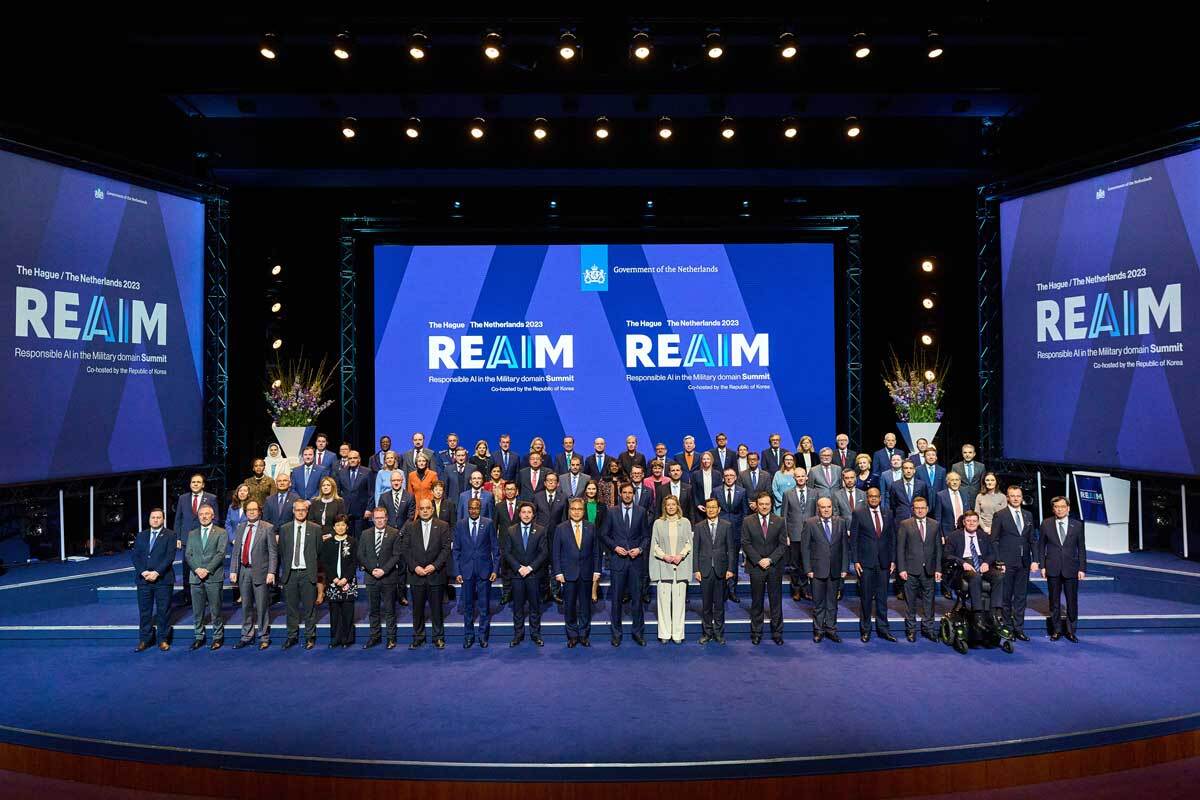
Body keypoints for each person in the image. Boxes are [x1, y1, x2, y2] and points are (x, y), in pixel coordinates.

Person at [602, 482, 649, 646]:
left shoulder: (641, 511)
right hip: (618, 562)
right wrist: (615, 547)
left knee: (637, 599)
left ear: (634, 495)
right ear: (620, 494)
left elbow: (646, 536)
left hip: (636, 562)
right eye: (625, 492)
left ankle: (638, 633)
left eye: (630, 492)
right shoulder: (611, 512)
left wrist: (640, 549)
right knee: (616, 600)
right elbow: (604, 535)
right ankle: (616, 634)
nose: (628, 495)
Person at [401, 498, 452, 649]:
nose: (424, 511)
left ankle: (438, 637)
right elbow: (405, 549)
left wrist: (434, 566)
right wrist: (415, 566)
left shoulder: (443, 526)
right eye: (422, 508)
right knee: (417, 609)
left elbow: (446, 549)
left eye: (427, 508)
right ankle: (418, 637)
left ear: (432, 509)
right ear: (418, 510)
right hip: (416, 575)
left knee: (437, 609)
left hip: (435, 575)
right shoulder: (410, 527)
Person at [849, 488, 897, 642]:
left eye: (876, 496)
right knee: (866, 597)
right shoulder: (859, 513)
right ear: (867, 498)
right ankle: (866, 629)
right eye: (871, 496)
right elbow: (854, 539)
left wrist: (893, 560)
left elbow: (892, 538)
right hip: (866, 563)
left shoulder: (888, 513)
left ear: (880, 498)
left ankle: (883, 629)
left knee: (882, 598)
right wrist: (856, 560)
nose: (874, 499)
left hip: (884, 562)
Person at [992, 485, 1038, 641]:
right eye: (1013, 496)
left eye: (1018, 496)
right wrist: (999, 561)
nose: (1016, 498)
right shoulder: (1000, 515)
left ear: (1022, 497)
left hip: (1024, 562)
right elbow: (994, 540)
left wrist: (1035, 560)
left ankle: (1019, 628)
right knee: (1006, 597)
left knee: (1020, 597)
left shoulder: (1028, 515)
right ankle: (1007, 628)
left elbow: (1032, 539)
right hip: (1006, 562)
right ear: (1007, 497)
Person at [945, 510, 1004, 630]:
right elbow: (947, 555)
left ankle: (994, 613)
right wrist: (962, 563)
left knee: (998, 576)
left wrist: (987, 562)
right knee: (975, 576)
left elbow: (992, 553)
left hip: (981, 563)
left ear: (978, 523)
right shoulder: (954, 536)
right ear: (964, 522)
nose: (971, 523)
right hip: (964, 566)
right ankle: (978, 615)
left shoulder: (983, 536)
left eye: (974, 521)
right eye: (968, 521)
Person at [230, 500, 277, 650]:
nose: (251, 512)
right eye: (248, 510)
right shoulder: (240, 527)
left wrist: (271, 572)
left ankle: (263, 637)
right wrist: (233, 570)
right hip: (244, 571)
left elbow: (273, 553)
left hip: (261, 572)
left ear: (259, 511)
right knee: (246, 606)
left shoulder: (268, 528)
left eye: (254, 509)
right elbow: (236, 551)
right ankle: (246, 636)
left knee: (262, 606)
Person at [553, 497, 600, 647]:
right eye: (573, 509)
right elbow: (556, 553)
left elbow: (596, 551)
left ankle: (584, 634)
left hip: (586, 572)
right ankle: (572, 635)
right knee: (569, 606)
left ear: (583, 511)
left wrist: (597, 570)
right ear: (569, 511)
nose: (576, 512)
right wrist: (558, 572)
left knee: (585, 606)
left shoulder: (591, 527)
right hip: (568, 574)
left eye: (579, 509)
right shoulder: (561, 528)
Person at [742, 492, 787, 645]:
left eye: (767, 504)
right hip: (756, 567)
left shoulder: (779, 521)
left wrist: (770, 559)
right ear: (756, 505)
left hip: (774, 567)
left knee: (776, 601)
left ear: (771, 505)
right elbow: (745, 543)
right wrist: (758, 560)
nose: (764, 507)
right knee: (757, 601)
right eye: (761, 504)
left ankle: (777, 633)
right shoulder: (748, 521)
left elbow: (782, 545)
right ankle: (756, 632)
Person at [1038, 496, 1087, 642]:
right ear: (1053, 509)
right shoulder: (1046, 524)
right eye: (1056, 507)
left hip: (1071, 568)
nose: (1059, 509)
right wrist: (1042, 566)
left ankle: (1071, 631)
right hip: (1052, 568)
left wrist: (1082, 568)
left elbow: (1081, 548)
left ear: (1068, 508)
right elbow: (1041, 546)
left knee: (1072, 601)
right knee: (1054, 601)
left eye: (1062, 507)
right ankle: (1057, 630)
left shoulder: (1077, 525)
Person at [453, 497, 499, 648]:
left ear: (481, 509)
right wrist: (457, 571)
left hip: (484, 570)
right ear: (467, 509)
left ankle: (483, 636)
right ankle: (468, 636)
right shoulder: (460, 524)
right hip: (466, 571)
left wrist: (495, 569)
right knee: (468, 606)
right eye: (471, 508)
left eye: (476, 508)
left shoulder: (488, 523)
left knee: (484, 606)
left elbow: (495, 548)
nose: (473, 510)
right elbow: (456, 550)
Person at [802, 497, 849, 644]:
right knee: (818, 603)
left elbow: (845, 547)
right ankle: (819, 630)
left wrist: (844, 567)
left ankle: (831, 629)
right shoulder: (810, 523)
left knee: (832, 603)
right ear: (818, 509)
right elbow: (805, 548)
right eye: (823, 507)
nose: (826, 510)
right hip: (817, 570)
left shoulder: (841, 522)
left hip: (835, 569)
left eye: (829, 507)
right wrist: (808, 569)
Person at [896, 496, 941, 642]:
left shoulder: (935, 524)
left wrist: (938, 569)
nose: (920, 510)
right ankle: (911, 630)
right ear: (913, 509)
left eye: (922, 508)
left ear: (927, 509)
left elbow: (938, 549)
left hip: (929, 569)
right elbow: (900, 548)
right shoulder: (905, 524)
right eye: (917, 508)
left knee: (929, 602)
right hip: (910, 570)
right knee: (910, 602)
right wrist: (901, 568)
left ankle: (928, 629)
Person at [650, 494, 693, 644]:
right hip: (664, 566)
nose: (671, 507)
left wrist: (681, 555)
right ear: (664, 507)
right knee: (663, 602)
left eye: (673, 504)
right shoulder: (658, 523)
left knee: (679, 602)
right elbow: (654, 545)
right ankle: (665, 633)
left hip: (680, 566)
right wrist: (665, 556)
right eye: (668, 505)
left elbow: (689, 543)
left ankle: (677, 634)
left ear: (677, 506)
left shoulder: (685, 522)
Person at [694, 497, 736, 645]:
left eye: (713, 507)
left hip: (721, 570)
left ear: (719, 510)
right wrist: (696, 569)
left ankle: (718, 633)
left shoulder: (727, 526)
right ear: (705, 509)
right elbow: (696, 550)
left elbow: (731, 549)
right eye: (708, 507)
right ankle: (707, 633)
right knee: (706, 605)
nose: (711, 510)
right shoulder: (699, 526)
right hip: (705, 570)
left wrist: (730, 568)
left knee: (719, 605)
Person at [278, 499, 320, 650]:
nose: (300, 512)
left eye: (303, 510)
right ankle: (292, 636)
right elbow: (282, 551)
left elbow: (319, 551)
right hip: (290, 574)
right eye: (298, 510)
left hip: (307, 573)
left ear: (307, 511)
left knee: (309, 608)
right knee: (291, 608)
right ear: (293, 511)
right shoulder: (285, 529)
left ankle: (310, 637)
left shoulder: (315, 528)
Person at [132, 508, 175, 652]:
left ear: (163, 519)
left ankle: (162, 639)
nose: (155, 520)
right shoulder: (141, 535)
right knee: (145, 612)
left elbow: (169, 557)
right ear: (149, 519)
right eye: (153, 517)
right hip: (143, 580)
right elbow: (135, 556)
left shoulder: (170, 535)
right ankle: (145, 639)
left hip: (163, 579)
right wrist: (143, 572)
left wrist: (157, 572)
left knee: (163, 611)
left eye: (158, 517)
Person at [504, 501, 547, 647]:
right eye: (524, 512)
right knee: (518, 607)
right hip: (517, 575)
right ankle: (518, 635)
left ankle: (535, 634)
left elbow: (544, 553)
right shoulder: (511, 530)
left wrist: (530, 568)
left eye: (529, 512)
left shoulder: (540, 530)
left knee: (535, 606)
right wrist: (518, 568)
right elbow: (507, 552)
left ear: (533, 515)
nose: (526, 515)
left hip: (534, 575)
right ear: (519, 514)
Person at [359, 506, 402, 649]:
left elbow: (396, 555)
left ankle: (391, 638)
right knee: (373, 610)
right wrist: (372, 570)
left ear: (386, 518)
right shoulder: (365, 534)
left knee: (390, 610)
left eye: (382, 518)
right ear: (372, 519)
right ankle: (374, 637)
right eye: (376, 518)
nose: (379, 520)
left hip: (388, 577)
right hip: (371, 577)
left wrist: (384, 570)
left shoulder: (394, 533)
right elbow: (361, 555)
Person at [185, 503, 226, 650]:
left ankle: (217, 637)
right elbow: (188, 554)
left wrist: (207, 570)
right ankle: (199, 636)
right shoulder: (192, 533)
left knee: (216, 610)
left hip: (213, 576)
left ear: (213, 516)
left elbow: (220, 553)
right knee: (197, 611)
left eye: (207, 514)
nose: (204, 517)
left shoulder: (221, 532)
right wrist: (197, 569)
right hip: (195, 577)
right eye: (201, 514)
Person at [319, 515, 358, 647]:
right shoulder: (328, 543)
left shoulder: (353, 542)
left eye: (343, 525)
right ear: (334, 527)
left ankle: (347, 639)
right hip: (333, 582)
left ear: (347, 526)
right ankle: (335, 639)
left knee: (348, 612)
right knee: (334, 613)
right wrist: (335, 578)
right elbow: (325, 563)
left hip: (348, 581)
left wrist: (346, 578)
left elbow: (354, 562)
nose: (340, 527)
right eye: (337, 525)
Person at [781, 467, 816, 602]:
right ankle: (796, 589)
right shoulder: (787, 494)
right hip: (794, 534)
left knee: (807, 563)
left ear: (806, 477)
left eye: (803, 476)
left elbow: (817, 514)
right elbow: (784, 516)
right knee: (795, 564)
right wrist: (786, 535)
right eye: (798, 476)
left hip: (810, 534)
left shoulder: (815, 493)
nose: (800, 478)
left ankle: (805, 589)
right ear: (794, 478)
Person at [716, 467, 747, 601]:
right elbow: (713, 510)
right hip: (720, 530)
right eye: (726, 476)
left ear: (735, 478)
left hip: (736, 530)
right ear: (723, 478)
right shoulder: (716, 491)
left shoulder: (742, 491)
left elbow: (745, 512)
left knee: (733, 561)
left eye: (731, 475)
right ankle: (721, 590)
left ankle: (732, 590)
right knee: (721, 560)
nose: (729, 478)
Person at [494, 480, 522, 606]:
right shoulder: (499, 506)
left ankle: (518, 594)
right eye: (508, 489)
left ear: (517, 491)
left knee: (518, 569)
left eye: (512, 489)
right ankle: (506, 593)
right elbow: (494, 526)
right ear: (504, 491)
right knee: (505, 570)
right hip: (504, 544)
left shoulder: (522, 505)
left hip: (520, 544)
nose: (510, 491)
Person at [582, 480, 608, 603]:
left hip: (598, 539)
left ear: (597, 491)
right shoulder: (581, 505)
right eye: (589, 489)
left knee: (596, 565)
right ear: (585, 490)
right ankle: (585, 589)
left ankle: (594, 591)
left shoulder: (602, 506)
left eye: (593, 489)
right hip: (582, 539)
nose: (591, 491)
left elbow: (605, 525)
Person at [336, 451, 373, 536]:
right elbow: (337, 491)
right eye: (350, 458)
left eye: (355, 458)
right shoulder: (341, 472)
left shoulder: (367, 472)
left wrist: (369, 509)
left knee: (360, 537)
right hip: (345, 511)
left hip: (362, 512)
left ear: (359, 459)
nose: (352, 460)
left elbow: (371, 492)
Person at [691, 452, 720, 518]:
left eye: (708, 459)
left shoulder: (717, 474)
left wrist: (717, 505)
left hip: (714, 506)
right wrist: (698, 505)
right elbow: (694, 492)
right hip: (700, 507)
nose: (706, 461)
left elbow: (720, 491)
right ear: (701, 461)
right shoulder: (695, 474)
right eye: (704, 459)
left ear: (711, 460)